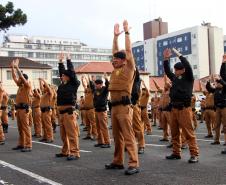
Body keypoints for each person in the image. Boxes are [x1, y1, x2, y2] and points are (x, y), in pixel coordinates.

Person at [105, 20, 139, 175]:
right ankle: (118, 161)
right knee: (117, 136)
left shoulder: (129, 68)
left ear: (124, 60)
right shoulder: (114, 71)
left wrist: (126, 33)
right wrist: (114, 37)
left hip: (125, 107)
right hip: (114, 106)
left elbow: (128, 50)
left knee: (128, 135)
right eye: (114, 59)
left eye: (117, 59)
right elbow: (115, 51)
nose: (114, 60)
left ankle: (133, 163)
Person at [163, 48, 199, 163]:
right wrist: (166, 59)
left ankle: (194, 154)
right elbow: (167, 71)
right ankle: (176, 153)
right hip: (174, 108)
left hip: (184, 108)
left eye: (177, 70)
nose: (175, 71)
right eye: (175, 70)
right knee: (174, 133)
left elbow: (187, 65)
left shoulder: (188, 77)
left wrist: (179, 55)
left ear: (182, 70)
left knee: (188, 133)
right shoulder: (174, 78)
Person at [56, 53, 80, 161]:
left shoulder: (73, 83)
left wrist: (68, 60)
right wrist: (60, 62)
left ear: (69, 77)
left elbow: (71, 72)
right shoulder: (62, 84)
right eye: (62, 75)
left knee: (71, 134)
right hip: (61, 113)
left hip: (69, 112)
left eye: (64, 75)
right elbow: (63, 72)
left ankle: (75, 153)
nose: (62, 76)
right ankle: (65, 151)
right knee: (63, 134)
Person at [11, 59, 32, 152]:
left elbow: (20, 77)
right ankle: (21, 144)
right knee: (20, 128)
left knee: (25, 127)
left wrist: (17, 67)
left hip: (24, 109)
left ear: (23, 79)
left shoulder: (27, 86)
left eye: (20, 79)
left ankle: (28, 145)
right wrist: (12, 68)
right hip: (19, 109)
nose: (18, 80)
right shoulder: (20, 87)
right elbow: (14, 77)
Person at [206, 55, 226, 147]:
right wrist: (208, 81)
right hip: (217, 108)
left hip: (224, 107)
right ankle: (216, 140)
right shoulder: (216, 90)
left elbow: (223, 80)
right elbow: (209, 88)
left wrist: (221, 80)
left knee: (225, 125)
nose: (216, 83)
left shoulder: (224, 88)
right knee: (217, 125)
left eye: (217, 82)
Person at [90, 74, 111, 148]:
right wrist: (91, 80)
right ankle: (100, 142)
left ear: (101, 84)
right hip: (97, 110)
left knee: (104, 127)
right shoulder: (96, 90)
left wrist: (106, 79)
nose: (96, 86)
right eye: (95, 84)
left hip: (102, 110)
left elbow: (108, 85)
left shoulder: (104, 89)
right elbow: (92, 87)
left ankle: (107, 142)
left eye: (97, 84)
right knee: (98, 127)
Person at [81, 75, 97, 140]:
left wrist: (88, 79)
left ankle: (95, 135)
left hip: (91, 109)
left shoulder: (93, 91)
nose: (87, 87)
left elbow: (91, 85)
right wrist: (82, 80)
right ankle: (89, 134)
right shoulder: (86, 90)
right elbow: (84, 85)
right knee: (87, 123)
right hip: (86, 109)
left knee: (93, 123)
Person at [39, 78, 54, 143]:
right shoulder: (44, 93)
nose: (44, 88)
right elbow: (41, 88)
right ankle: (45, 137)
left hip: (47, 110)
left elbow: (48, 87)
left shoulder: (50, 92)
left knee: (48, 125)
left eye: (45, 86)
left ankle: (50, 138)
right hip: (43, 110)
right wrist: (40, 82)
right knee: (44, 125)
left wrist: (43, 80)